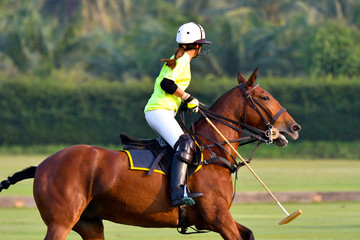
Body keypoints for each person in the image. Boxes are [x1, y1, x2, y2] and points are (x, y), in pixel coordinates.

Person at [144, 22, 211, 207]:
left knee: (181, 144)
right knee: (186, 143)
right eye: (201, 45)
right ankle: (177, 193)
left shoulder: (177, 58)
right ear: (196, 46)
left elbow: (169, 88)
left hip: (160, 110)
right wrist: (187, 96)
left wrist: (184, 103)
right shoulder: (182, 61)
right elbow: (166, 84)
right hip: (159, 111)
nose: (201, 48)